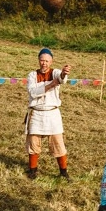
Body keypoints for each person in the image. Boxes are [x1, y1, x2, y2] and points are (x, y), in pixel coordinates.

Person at [25, 48, 72, 180]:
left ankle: (63, 172)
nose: (44, 63)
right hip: (37, 112)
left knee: (58, 143)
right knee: (33, 143)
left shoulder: (55, 72)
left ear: (51, 62)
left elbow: (62, 79)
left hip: (52, 113)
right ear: (38, 60)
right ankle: (33, 171)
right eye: (42, 60)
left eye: (46, 61)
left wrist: (63, 74)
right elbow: (33, 92)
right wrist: (51, 84)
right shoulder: (32, 75)